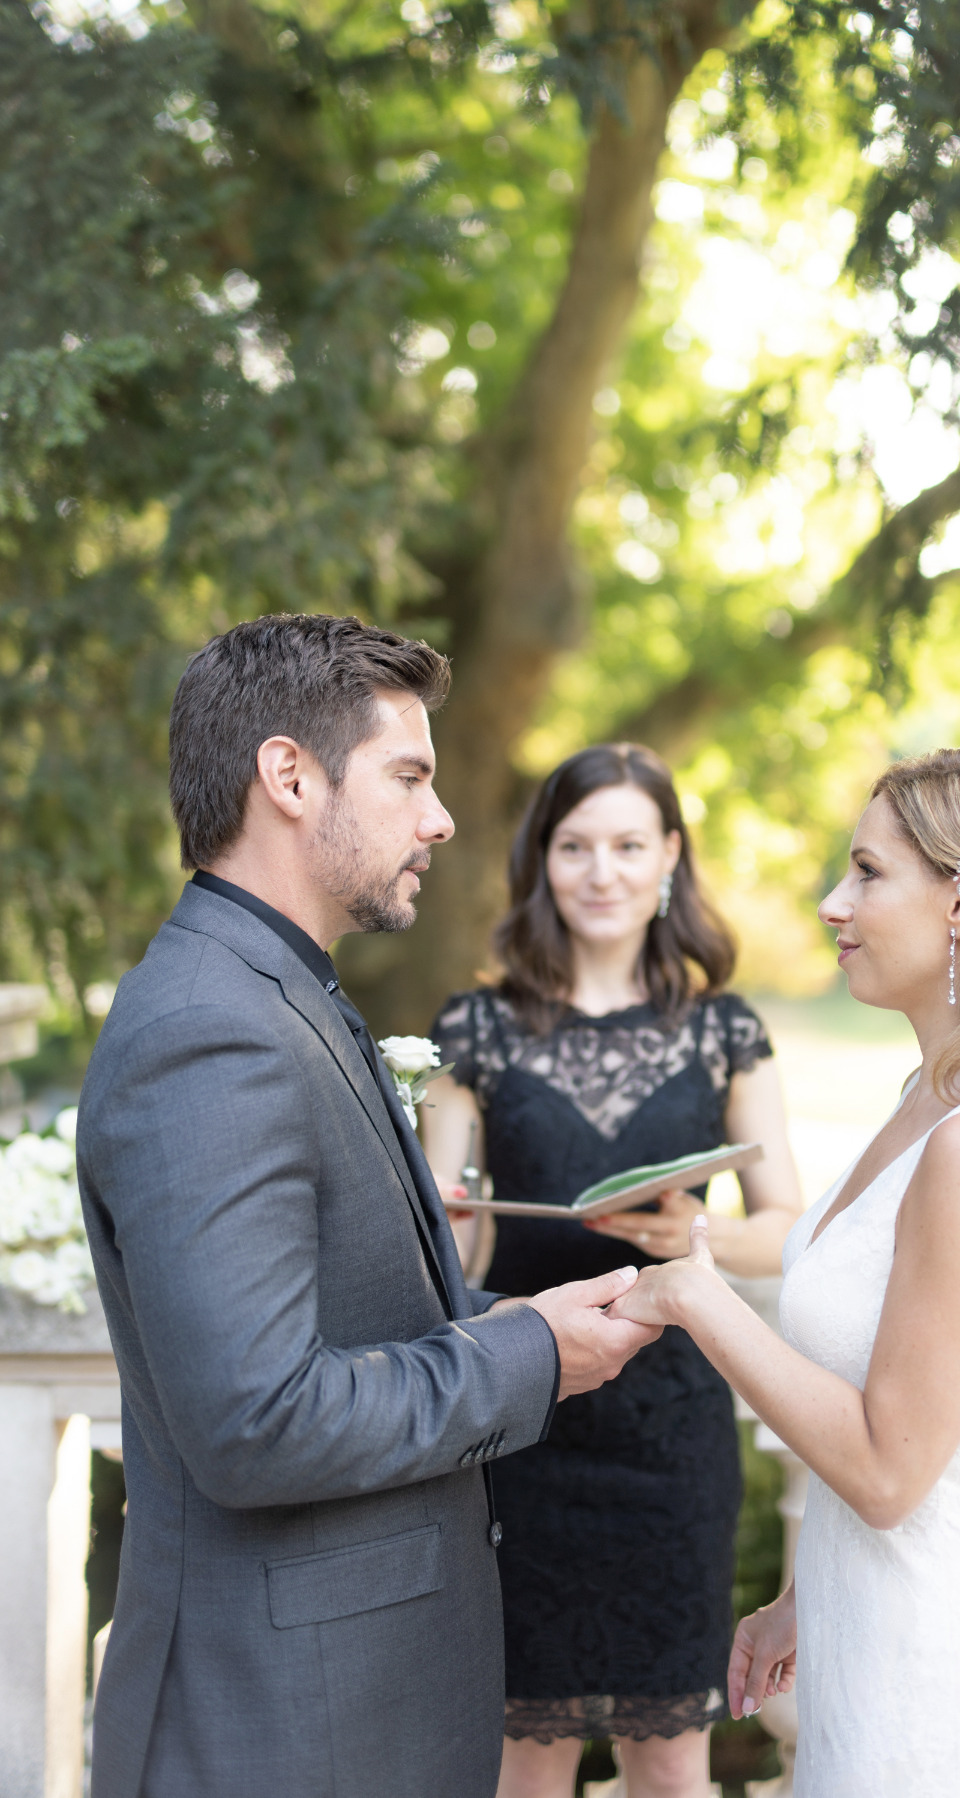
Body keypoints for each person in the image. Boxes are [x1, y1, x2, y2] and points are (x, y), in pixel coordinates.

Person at [76, 615, 660, 1798]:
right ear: (288, 776)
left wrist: (535, 1316)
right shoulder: (211, 1027)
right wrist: (529, 1357)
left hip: (355, 1712)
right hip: (281, 1730)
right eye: (409, 777)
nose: (440, 820)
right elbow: (259, 1418)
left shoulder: (281, 990)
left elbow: (361, 1322)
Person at [609, 747, 960, 1798]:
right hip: (874, 1647)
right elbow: (928, 1412)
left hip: (936, 1693)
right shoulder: (927, 1101)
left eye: (867, 871)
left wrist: (698, 1296)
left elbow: (895, 1471)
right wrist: (806, 1597)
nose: (830, 903)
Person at [421, 742, 805, 1798]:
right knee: (525, 1755)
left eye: (629, 845)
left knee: (673, 1757)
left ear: (669, 857)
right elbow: (441, 1244)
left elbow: (785, 1225)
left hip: (672, 1436)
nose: (602, 871)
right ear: (542, 860)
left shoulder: (727, 1029)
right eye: (576, 845)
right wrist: (440, 1213)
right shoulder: (477, 1028)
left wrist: (695, 1238)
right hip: (521, 1420)